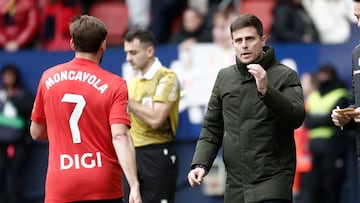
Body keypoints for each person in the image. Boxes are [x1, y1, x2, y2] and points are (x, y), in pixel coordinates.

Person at [187, 13, 306, 203]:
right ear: (232, 43)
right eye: (238, 40)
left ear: (262, 40)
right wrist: (200, 164)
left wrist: (266, 90)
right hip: (236, 185)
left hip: (274, 180)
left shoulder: (285, 75)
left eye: (250, 39)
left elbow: (296, 118)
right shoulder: (224, 78)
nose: (244, 45)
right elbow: (212, 127)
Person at [29, 15, 141, 203]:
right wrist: (134, 185)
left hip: (61, 185)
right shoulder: (116, 85)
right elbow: (120, 136)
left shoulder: (48, 78)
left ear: (72, 43)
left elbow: (36, 131)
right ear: (103, 44)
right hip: (103, 183)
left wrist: (60, 131)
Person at [123, 28, 180, 203]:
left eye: (133, 52)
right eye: (127, 53)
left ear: (150, 51)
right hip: (132, 155)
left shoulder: (167, 78)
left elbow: (156, 119)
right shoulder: (131, 84)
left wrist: (126, 100)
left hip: (157, 153)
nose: (128, 58)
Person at [304, 64, 349, 203]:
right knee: (314, 189)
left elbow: (334, 119)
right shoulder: (314, 96)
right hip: (314, 151)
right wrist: (324, 118)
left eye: (326, 74)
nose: (323, 78)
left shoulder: (341, 94)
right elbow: (307, 121)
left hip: (333, 149)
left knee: (331, 189)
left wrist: (319, 119)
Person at [0, 63, 34, 203]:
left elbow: (29, 111)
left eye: (11, 76)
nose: (8, 79)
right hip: (1, 143)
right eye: (5, 76)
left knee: (16, 173)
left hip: (18, 142)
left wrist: (13, 99)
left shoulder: (24, 94)